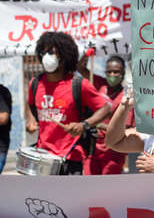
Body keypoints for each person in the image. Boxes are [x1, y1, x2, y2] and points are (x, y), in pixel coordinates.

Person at [25, 32, 112, 175]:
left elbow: (107, 107)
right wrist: (31, 120)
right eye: (44, 52)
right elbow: (30, 104)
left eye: (53, 52)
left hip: (71, 157)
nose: (47, 56)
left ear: (64, 56)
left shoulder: (79, 84)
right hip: (43, 157)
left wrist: (84, 125)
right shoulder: (34, 84)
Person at [77, 53, 134, 175]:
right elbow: (80, 68)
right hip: (92, 149)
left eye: (116, 72)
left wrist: (96, 124)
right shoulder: (99, 84)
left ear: (123, 73)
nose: (112, 75)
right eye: (109, 72)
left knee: (107, 190)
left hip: (113, 151)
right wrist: (87, 53)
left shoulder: (127, 98)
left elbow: (126, 130)